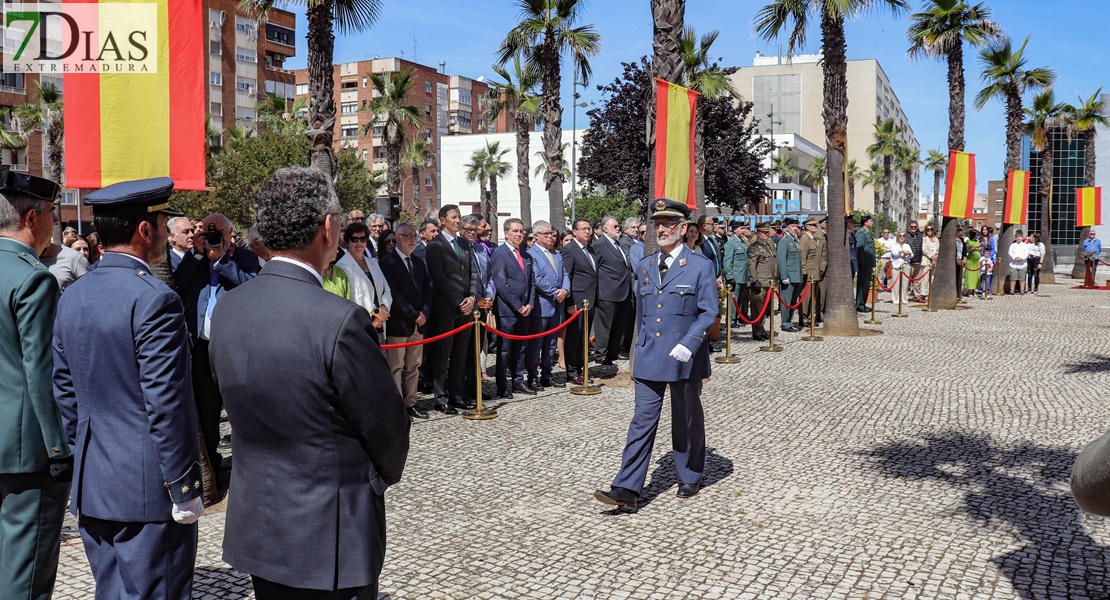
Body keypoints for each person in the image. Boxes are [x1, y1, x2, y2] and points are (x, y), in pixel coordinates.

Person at [208, 167, 409, 599]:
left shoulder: (228, 310)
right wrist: (376, 480)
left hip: (261, 526)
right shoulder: (339, 320)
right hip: (331, 533)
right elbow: (388, 429)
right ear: (328, 227)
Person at [54, 178, 204, 599]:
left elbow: (65, 392)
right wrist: (184, 486)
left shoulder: (73, 295)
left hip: (95, 482)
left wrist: (87, 455)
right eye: (161, 222)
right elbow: (166, 402)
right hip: (149, 489)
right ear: (145, 231)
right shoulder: (156, 299)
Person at [593, 198, 717, 512]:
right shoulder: (645, 265)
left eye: (669, 224)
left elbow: (708, 312)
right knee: (641, 421)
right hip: (650, 356)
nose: (661, 229)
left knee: (686, 419)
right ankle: (627, 488)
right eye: (658, 223)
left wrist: (690, 343)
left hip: (683, 356)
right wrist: (638, 353)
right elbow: (644, 314)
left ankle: (690, 473)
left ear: (683, 229)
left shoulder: (700, 265)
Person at [0, 171, 72, 600]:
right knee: (26, 572)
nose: (55, 225)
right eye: (54, 216)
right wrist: (59, 449)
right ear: (32, 217)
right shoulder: (33, 278)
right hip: (28, 452)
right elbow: (42, 372)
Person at [174, 213, 261, 479]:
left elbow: (253, 286)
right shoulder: (196, 261)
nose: (214, 239)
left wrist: (222, 260)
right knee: (207, 410)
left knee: (240, 408)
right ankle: (212, 466)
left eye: (219, 234)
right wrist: (197, 255)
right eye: (208, 234)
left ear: (230, 233)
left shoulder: (243, 258)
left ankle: (248, 466)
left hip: (234, 347)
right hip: (201, 349)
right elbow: (177, 283)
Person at [425, 204, 477, 414]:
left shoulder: (464, 244)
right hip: (446, 308)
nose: (458, 221)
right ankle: (441, 397)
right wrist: (459, 302)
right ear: (443, 219)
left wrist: (472, 297)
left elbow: (473, 272)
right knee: (442, 354)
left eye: (459, 217)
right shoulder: (435, 246)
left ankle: (457, 395)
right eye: (454, 217)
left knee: (460, 354)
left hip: (466, 308)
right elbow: (439, 278)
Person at [379, 223, 432, 420]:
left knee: (413, 366)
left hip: (419, 323)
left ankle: (411, 403)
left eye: (414, 235)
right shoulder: (387, 263)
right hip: (399, 324)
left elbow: (428, 289)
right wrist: (413, 314)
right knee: (396, 367)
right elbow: (394, 294)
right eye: (408, 235)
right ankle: (395, 408)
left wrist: (424, 312)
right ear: (398, 238)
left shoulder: (418, 262)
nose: (413, 239)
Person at [491, 218, 537, 398]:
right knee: (505, 350)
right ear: (506, 233)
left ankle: (518, 381)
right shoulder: (499, 253)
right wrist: (518, 306)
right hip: (507, 311)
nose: (519, 234)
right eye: (515, 231)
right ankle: (502, 386)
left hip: (525, 309)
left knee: (521, 348)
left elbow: (531, 282)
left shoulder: (526, 254)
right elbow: (501, 284)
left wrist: (530, 304)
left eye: (521, 231)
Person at [528, 219, 569, 389]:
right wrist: (554, 292)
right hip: (541, 305)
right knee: (536, 344)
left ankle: (547, 375)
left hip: (556, 305)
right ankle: (532, 377)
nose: (551, 237)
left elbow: (565, 274)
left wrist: (565, 290)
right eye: (546, 234)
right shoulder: (531, 254)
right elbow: (536, 278)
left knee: (551, 343)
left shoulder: (556, 255)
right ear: (536, 236)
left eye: (552, 233)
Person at [590, 216, 633, 367]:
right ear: (605, 228)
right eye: (615, 226)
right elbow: (594, 268)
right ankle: (600, 354)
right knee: (605, 326)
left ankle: (612, 353)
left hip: (623, 292)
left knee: (618, 326)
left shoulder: (617, 244)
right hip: (607, 292)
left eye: (618, 226)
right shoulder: (600, 244)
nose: (618, 229)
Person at [336, 222, 392, 337]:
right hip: (361, 325)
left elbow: (387, 290)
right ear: (348, 241)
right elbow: (354, 295)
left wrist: (384, 308)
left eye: (363, 239)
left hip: (380, 324)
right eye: (354, 239)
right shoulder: (342, 265)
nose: (359, 243)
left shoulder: (373, 263)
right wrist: (377, 312)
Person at [562, 218, 598, 385]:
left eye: (589, 229)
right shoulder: (570, 250)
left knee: (583, 338)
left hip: (589, 300)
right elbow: (566, 276)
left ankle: (580, 367)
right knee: (574, 337)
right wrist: (569, 302)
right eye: (583, 229)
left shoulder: (589, 249)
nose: (587, 232)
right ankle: (572, 371)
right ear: (574, 232)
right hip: (576, 301)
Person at [747, 225, 776, 341]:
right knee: (757, 308)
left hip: (769, 282)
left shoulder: (769, 246)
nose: (767, 235)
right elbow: (751, 265)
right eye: (764, 233)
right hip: (760, 281)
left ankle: (761, 328)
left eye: (768, 233)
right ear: (758, 233)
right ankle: (757, 331)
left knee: (765, 308)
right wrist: (754, 280)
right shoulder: (755, 247)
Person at [776, 218, 803, 332]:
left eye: (796, 226)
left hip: (796, 275)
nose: (795, 228)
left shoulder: (794, 240)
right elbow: (781, 259)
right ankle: (785, 322)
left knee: (793, 301)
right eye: (793, 226)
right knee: (786, 300)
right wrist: (784, 276)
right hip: (789, 275)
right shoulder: (784, 240)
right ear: (786, 227)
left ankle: (790, 321)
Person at [722, 220, 750, 326]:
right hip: (735, 275)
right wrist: (729, 276)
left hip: (743, 275)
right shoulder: (731, 243)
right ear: (735, 230)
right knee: (733, 299)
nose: (743, 231)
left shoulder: (741, 242)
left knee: (740, 299)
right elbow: (727, 261)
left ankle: (736, 318)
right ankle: (731, 319)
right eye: (741, 228)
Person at [799, 217, 826, 326]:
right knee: (806, 297)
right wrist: (804, 272)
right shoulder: (805, 240)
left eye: (816, 225)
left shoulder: (814, 239)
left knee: (813, 297)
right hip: (809, 273)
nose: (816, 227)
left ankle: (810, 317)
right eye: (814, 225)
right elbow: (802, 257)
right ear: (808, 227)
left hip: (815, 273)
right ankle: (804, 317)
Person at [855, 215, 876, 312]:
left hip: (868, 262)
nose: (872, 222)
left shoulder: (867, 233)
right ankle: (859, 304)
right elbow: (859, 248)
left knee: (866, 283)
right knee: (862, 283)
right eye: (870, 221)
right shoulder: (861, 232)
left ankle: (863, 303)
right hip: (864, 262)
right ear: (865, 222)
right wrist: (861, 262)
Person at [888, 232, 913, 305]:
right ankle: (895, 299)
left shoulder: (907, 245)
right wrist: (902, 251)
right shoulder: (893, 245)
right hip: (896, 265)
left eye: (903, 236)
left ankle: (904, 299)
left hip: (906, 264)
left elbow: (912, 255)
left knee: (905, 283)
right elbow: (895, 253)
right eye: (900, 236)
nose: (902, 237)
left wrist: (909, 253)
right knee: (896, 283)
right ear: (897, 237)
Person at [905, 221, 925, 301]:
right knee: (907, 280)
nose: (913, 228)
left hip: (918, 260)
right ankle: (904, 296)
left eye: (915, 227)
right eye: (912, 227)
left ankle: (917, 296)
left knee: (918, 280)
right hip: (909, 261)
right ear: (909, 227)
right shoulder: (906, 236)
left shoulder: (920, 236)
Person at [920, 224, 940, 302]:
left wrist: (936, 256)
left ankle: (931, 293)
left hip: (935, 261)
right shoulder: (924, 239)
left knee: (932, 278)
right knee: (925, 278)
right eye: (928, 229)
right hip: (927, 260)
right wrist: (931, 257)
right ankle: (924, 294)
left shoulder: (936, 239)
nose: (929, 231)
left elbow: (939, 248)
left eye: (931, 229)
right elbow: (924, 249)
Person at [1008, 230, 1030, 295]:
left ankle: (1022, 289)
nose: (1018, 238)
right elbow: (1010, 252)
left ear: (1022, 237)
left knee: (1022, 278)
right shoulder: (1012, 245)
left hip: (1022, 264)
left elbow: (1026, 253)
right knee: (1013, 278)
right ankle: (1012, 289)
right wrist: (1014, 257)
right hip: (1013, 264)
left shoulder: (1025, 246)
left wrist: (1022, 258)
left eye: (1019, 237)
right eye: (1017, 237)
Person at [963, 229, 982, 296]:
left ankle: (974, 291)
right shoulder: (968, 241)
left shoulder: (978, 241)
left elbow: (979, 251)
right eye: (976, 235)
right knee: (970, 276)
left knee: (976, 276)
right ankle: (969, 292)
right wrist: (975, 247)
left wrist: (980, 248)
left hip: (976, 262)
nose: (977, 237)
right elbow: (968, 251)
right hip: (971, 261)